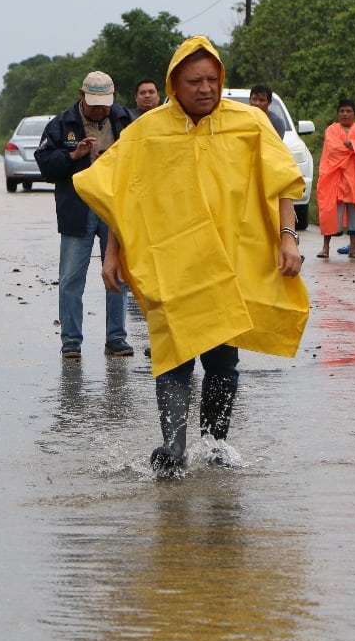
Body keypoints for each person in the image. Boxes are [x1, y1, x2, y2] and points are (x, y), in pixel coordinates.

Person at [74, 36, 308, 475]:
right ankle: (174, 447)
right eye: (195, 81)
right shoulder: (147, 131)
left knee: (222, 357)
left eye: (212, 79)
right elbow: (121, 197)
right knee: (173, 352)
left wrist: (288, 238)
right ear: (174, 86)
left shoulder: (249, 123)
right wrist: (112, 253)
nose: (206, 89)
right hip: (172, 263)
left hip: (229, 261)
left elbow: (282, 183)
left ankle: (215, 442)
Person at [34, 71, 135, 359]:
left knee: (117, 273)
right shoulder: (61, 124)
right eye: (94, 104)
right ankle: (71, 341)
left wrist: (115, 160)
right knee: (70, 278)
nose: (100, 110)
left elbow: (143, 161)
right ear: (81, 96)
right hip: (77, 208)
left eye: (105, 104)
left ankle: (116, 337)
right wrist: (74, 156)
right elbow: (45, 165)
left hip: (114, 208)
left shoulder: (126, 121)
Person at [316, 99, 355, 259]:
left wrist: (353, 145)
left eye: (348, 111)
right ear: (337, 113)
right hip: (334, 177)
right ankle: (325, 248)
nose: (345, 114)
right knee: (330, 212)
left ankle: (353, 248)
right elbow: (334, 149)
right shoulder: (331, 130)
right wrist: (353, 148)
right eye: (342, 111)